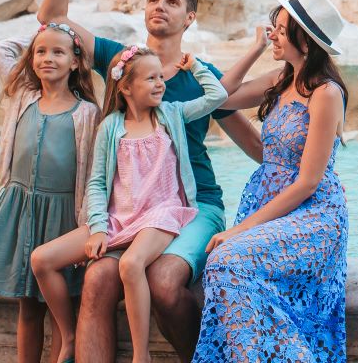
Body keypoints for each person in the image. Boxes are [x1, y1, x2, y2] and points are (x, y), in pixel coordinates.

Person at [37, 0, 270, 362]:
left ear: (190, 17)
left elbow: (256, 148)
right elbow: (52, 17)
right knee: (97, 280)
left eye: (172, 1)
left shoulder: (202, 78)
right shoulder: (121, 61)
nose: (159, 6)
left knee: (164, 283)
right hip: (132, 208)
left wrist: (313, 180)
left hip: (196, 204)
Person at [31, 47, 228, 363]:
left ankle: (141, 355)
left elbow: (216, 97)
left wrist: (197, 67)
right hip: (118, 218)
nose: (160, 84)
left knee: (130, 264)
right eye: (151, 78)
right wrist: (97, 228)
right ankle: (67, 336)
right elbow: (96, 183)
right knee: (42, 259)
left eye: (161, 77)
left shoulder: (171, 114)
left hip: (162, 214)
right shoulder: (110, 126)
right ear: (125, 87)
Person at [193, 0, 350, 362]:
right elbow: (220, 98)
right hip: (269, 204)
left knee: (227, 259)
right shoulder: (280, 79)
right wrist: (254, 50)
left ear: (306, 41)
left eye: (280, 29)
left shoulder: (325, 93)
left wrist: (236, 231)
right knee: (223, 263)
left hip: (313, 213)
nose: (273, 34)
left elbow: (308, 182)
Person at [0, 23, 100, 363]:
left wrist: (88, 226)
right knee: (27, 305)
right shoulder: (22, 95)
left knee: (59, 306)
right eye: (40, 51)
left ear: (75, 62)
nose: (47, 58)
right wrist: (48, 30)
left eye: (58, 52)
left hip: (64, 214)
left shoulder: (87, 113)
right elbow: (1, 47)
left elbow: (94, 173)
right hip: (20, 208)